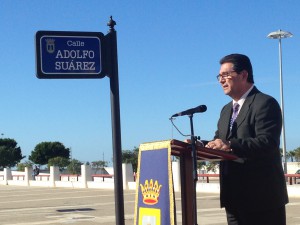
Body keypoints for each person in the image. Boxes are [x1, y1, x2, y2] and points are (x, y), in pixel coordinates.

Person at [205, 54, 288, 225]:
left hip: (262, 200)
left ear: (243, 75)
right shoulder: (226, 110)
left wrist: (229, 145)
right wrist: (200, 145)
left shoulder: (265, 103)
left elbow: (267, 142)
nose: (221, 80)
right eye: (219, 76)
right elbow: (219, 141)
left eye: (226, 75)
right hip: (233, 198)